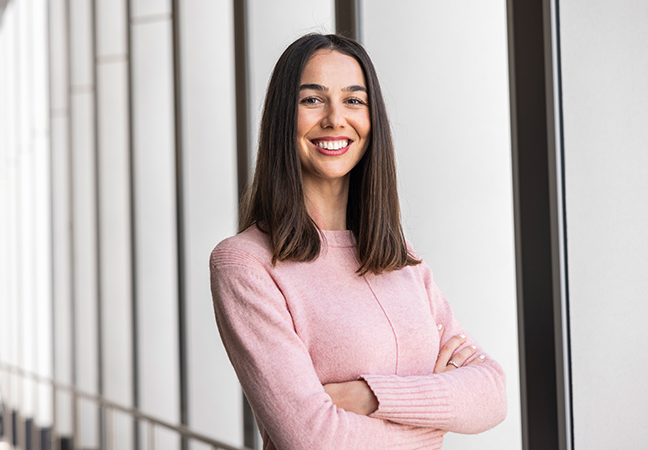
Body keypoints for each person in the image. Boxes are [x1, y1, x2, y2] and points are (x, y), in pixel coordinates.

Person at [210, 33, 506, 450]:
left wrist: (370, 396)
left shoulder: (402, 262)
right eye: (312, 100)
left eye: (354, 100)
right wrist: (433, 424)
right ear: (282, 118)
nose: (335, 118)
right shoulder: (245, 264)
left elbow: (491, 393)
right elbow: (311, 438)